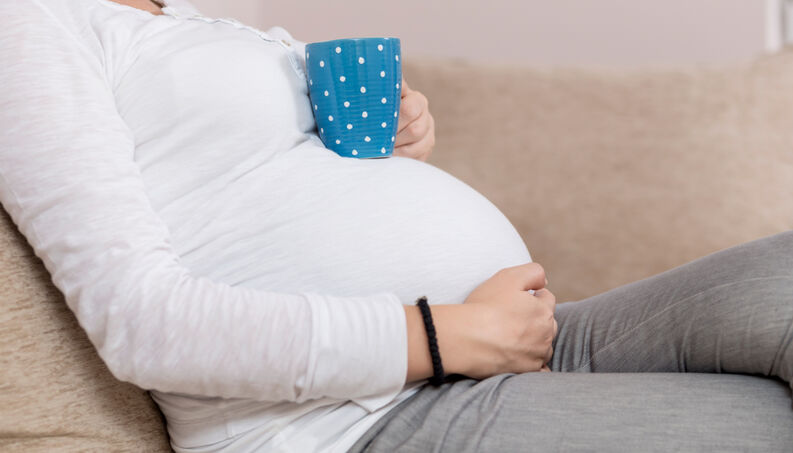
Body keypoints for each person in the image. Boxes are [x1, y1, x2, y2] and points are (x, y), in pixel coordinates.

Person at [0, 0, 791, 452]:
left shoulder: (187, 20)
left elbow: (251, 172)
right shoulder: (30, 26)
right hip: (360, 419)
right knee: (764, 428)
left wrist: (398, 137)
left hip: (509, 337)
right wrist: (443, 336)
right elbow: (145, 325)